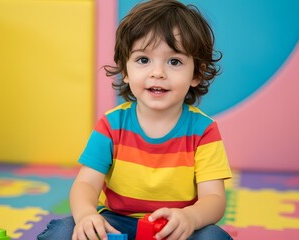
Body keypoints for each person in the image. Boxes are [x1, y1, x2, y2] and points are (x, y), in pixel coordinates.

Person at [37, 0, 233, 239]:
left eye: (174, 61)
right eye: (143, 60)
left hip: (174, 228)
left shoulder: (203, 130)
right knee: (63, 231)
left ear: (196, 74)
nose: (157, 72)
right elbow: (86, 184)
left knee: (213, 236)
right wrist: (87, 215)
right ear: (125, 70)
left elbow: (214, 199)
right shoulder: (111, 125)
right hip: (115, 223)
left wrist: (190, 218)